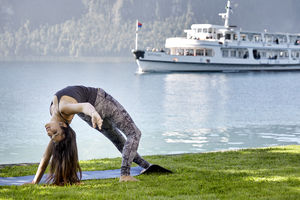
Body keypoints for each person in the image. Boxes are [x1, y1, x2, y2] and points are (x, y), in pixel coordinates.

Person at [32, 85, 152, 185]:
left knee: (119, 141)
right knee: (134, 133)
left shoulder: (56, 113)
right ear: (62, 125)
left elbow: (47, 154)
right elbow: (85, 106)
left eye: (52, 135)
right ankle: (125, 175)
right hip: (99, 103)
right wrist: (94, 113)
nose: (49, 133)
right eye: (54, 134)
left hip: (90, 115)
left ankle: (146, 166)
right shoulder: (63, 109)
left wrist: (34, 182)